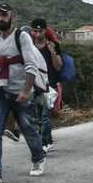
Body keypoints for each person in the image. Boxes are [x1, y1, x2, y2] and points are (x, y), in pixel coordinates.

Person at [0, 2, 46, 183]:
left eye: (4, 14)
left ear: (11, 16)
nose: (0, 18)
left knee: (28, 129)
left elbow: (31, 64)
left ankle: (39, 157)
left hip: (20, 93)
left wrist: (26, 90)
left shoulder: (21, 36)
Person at [31, 18, 63, 153]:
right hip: (35, 86)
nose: (38, 34)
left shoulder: (53, 46)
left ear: (45, 31)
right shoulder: (28, 46)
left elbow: (58, 66)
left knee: (45, 116)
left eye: (41, 31)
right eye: (35, 31)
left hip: (50, 86)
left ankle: (42, 143)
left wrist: (52, 52)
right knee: (40, 117)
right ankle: (48, 141)